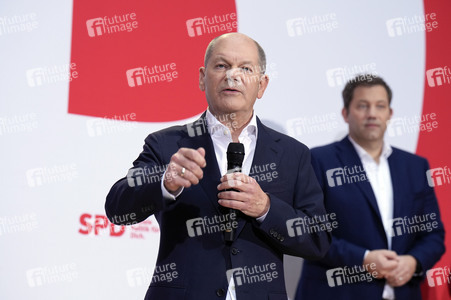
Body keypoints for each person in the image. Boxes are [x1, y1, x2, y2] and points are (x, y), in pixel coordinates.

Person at [106, 33, 331, 300]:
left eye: (245, 68)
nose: (232, 76)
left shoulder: (293, 154)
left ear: (262, 85)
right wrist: (165, 183)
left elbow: (318, 239)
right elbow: (118, 209)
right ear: (203, 77)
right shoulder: (168, 144)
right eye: (221, 66)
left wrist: (266, 208)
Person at [296, 75, 445, 300]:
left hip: (402, 292)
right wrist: (364, 259)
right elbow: (309, 232)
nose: (372, 114)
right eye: (363, 106)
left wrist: (413, 262)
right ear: (345, 113)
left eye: (380, 106)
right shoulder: (319, 160)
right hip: (337, 293)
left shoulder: (415, 166)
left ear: (390, 114)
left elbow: (433, 234)